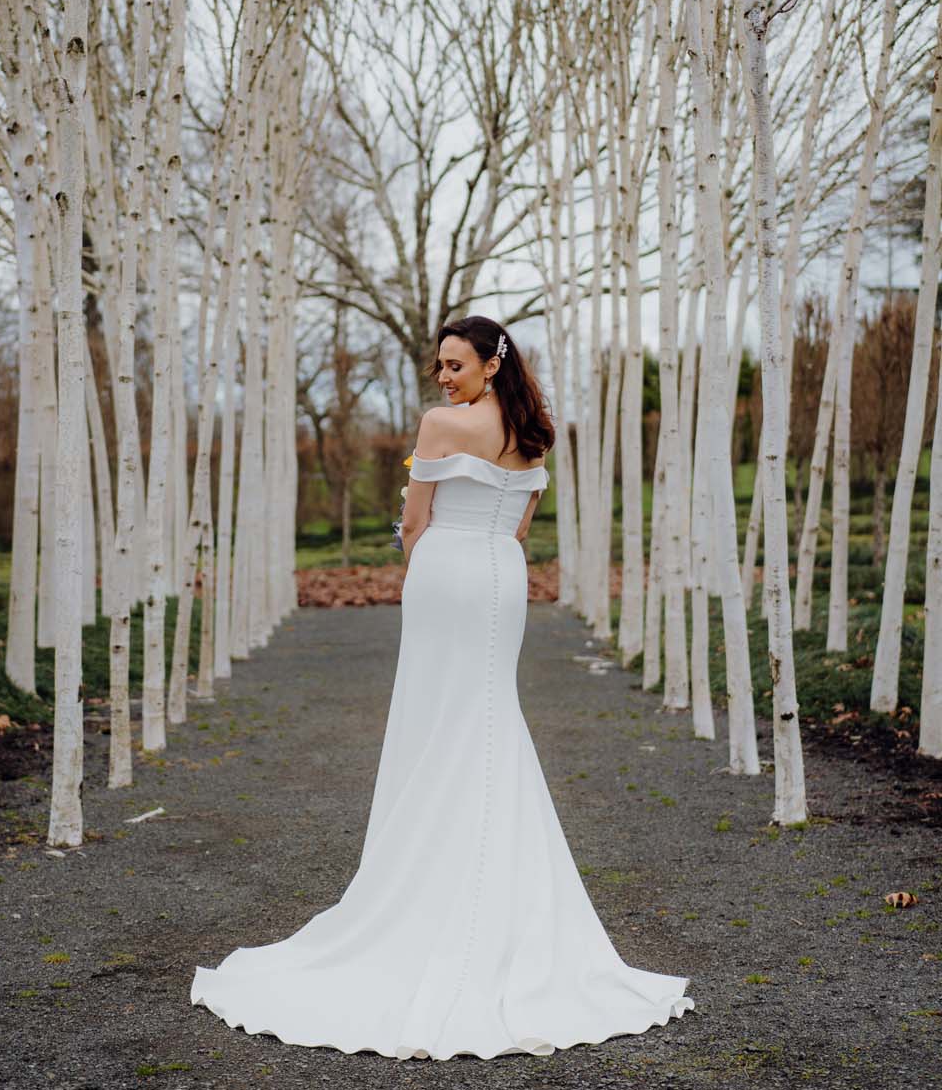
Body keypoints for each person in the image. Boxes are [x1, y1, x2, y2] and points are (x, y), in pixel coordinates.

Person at [190, 315, 695, 1059]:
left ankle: (435, 881)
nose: (444, 376)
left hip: (445, 572)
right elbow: (519, 528)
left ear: (491, 364)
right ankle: (494, 883)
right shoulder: (534, 434)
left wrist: (422, 561)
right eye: (440, 365)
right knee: (489, 716)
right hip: (501, 576)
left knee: (438, 719)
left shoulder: (438, 425)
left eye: (455, 363)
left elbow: (415, 522)